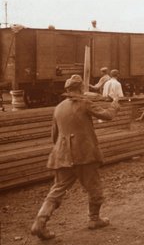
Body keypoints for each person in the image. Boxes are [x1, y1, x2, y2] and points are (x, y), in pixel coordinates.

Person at [30, 75, 120, 240]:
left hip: (63, 156)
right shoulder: (84, 103)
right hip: (84, 155)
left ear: (67, 90)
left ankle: (39, 223)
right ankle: (94, 219)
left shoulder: (58, 108)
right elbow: (108, 116)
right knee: (94, 188)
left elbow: (54, 136)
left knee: (57, 190)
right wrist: (115, 105)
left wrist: (63, 149)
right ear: (80, 88)